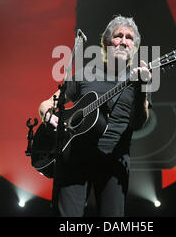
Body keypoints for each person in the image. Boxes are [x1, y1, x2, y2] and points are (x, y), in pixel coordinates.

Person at [38, 15, 152, 217]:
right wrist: (48, 116)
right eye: (118, 36)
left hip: (113, 161)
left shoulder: (138, 80)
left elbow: (138, 123)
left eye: (129, 38)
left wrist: (142, 89)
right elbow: (47, 103)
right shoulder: (85, 74)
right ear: (107, 43)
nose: (124, 41)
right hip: (74, 159)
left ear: (134, 47)